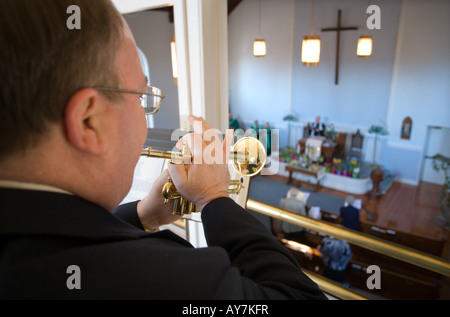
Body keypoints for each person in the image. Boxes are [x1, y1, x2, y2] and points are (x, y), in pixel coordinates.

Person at [0, 0, 326, 300]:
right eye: (141, 98)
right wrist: (215, 198)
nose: (146, 117)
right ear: (89, 120)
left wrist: (144, 215)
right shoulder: (162, 278)